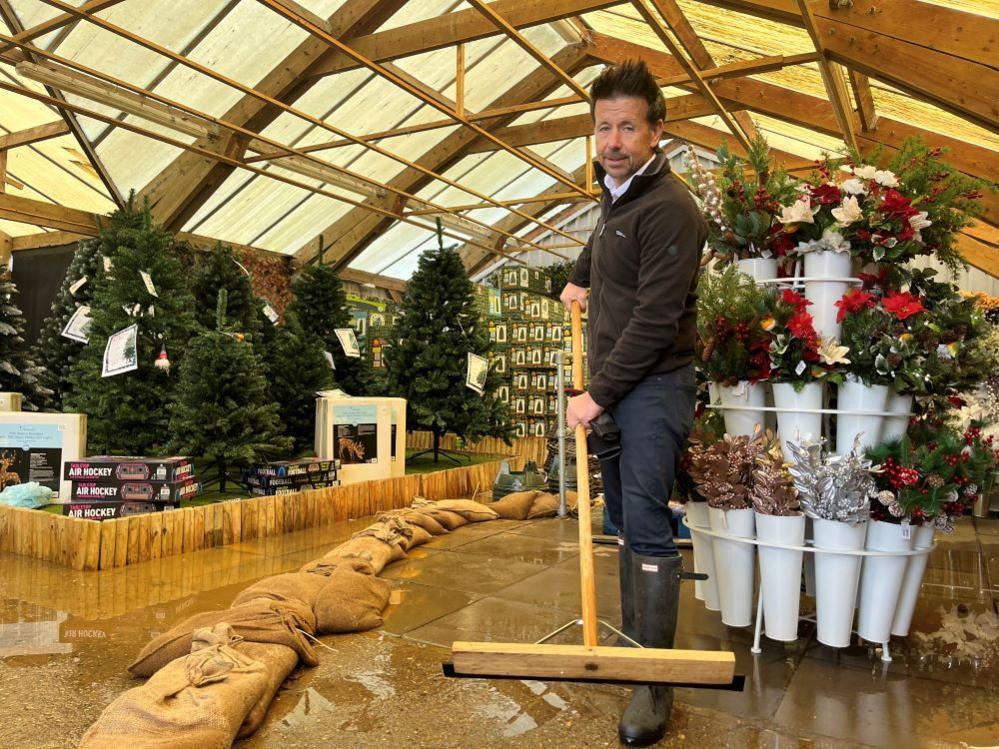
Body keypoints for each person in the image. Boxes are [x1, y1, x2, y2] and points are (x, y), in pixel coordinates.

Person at [561, 59, 706, 747]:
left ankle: (655, 682)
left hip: (651, 385)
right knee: (621, 516)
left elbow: (654, 317)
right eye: (601, 127)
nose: (612, 139)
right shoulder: (616, 196)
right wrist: (577, 277)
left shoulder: (671, 207)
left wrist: (595, 394)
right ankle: (630, 644)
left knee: (646, 523)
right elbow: (603, 244)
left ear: (656, 131)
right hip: (618, 385)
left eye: (626, 126)